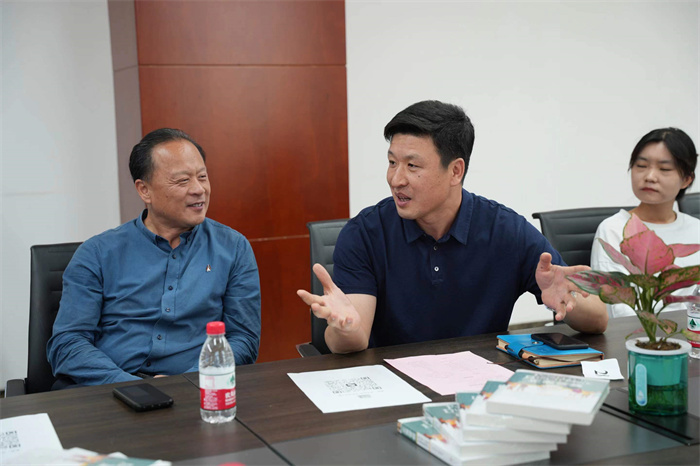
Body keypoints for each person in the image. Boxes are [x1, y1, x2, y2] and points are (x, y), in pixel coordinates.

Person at [297, 100, 608, 354]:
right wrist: (344, 329)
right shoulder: (365, 233)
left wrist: (569, 300)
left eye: (412, 165)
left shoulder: (506, 230)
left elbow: (598, 320)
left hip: (481, 388)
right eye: (392, 162)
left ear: (456, 171)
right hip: (394, 392)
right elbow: (351, 339)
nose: (395, 179)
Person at [48, 128, 261, 386]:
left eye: (202, 177)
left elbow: (244, 339)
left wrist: (189, 381)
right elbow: (68, 344)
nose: (199, 189)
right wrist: (134, 387)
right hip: (111, 389)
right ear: (144, 190)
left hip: (198, 388)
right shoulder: (97, 253)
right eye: (182, 181)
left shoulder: (233, 248)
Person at [591, 127, 699, 318]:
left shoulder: (696, 229)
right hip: (639, 333)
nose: (650, 177)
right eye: (641, 166)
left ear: (687, 179)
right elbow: (619, 309)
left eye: (664, 169)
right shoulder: (613, 229)